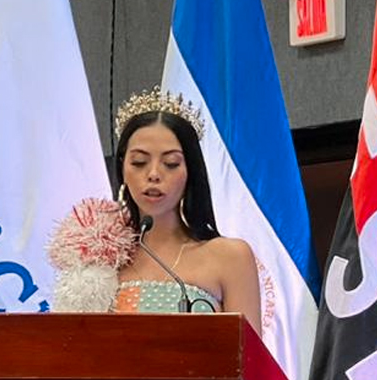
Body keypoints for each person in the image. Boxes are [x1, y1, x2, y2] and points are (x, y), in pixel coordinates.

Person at [110, 88, 263, 332]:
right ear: (122, 169)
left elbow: (250, 362)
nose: (153, 175)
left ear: (190, 171)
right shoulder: (104, 261)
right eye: (139, 162)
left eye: (170, 164)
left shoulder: (230, 257)